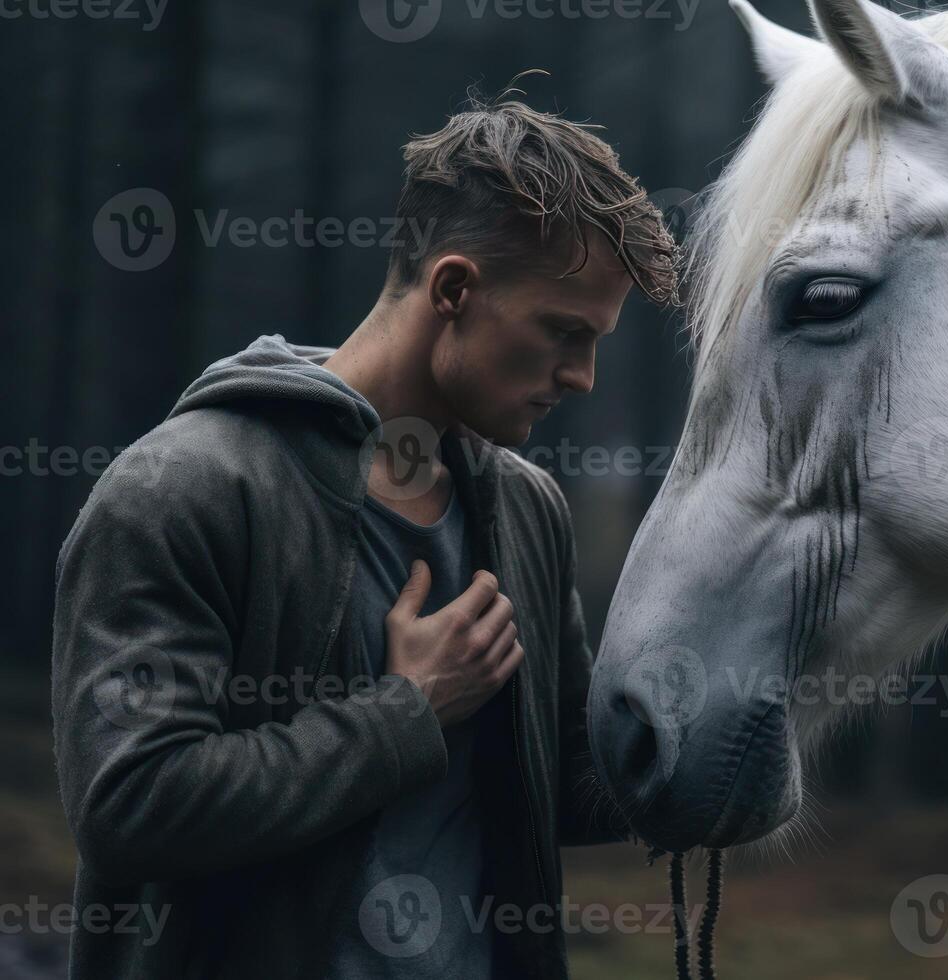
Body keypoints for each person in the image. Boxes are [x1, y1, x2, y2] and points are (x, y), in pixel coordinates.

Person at [50, 95, 677, 980]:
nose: (579, 377)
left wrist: (735, 730)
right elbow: (131, 806)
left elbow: (563, 788)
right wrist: (405, 712)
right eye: (563, 333)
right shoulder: (183, 489)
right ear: (453, 288)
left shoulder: (525, 509)